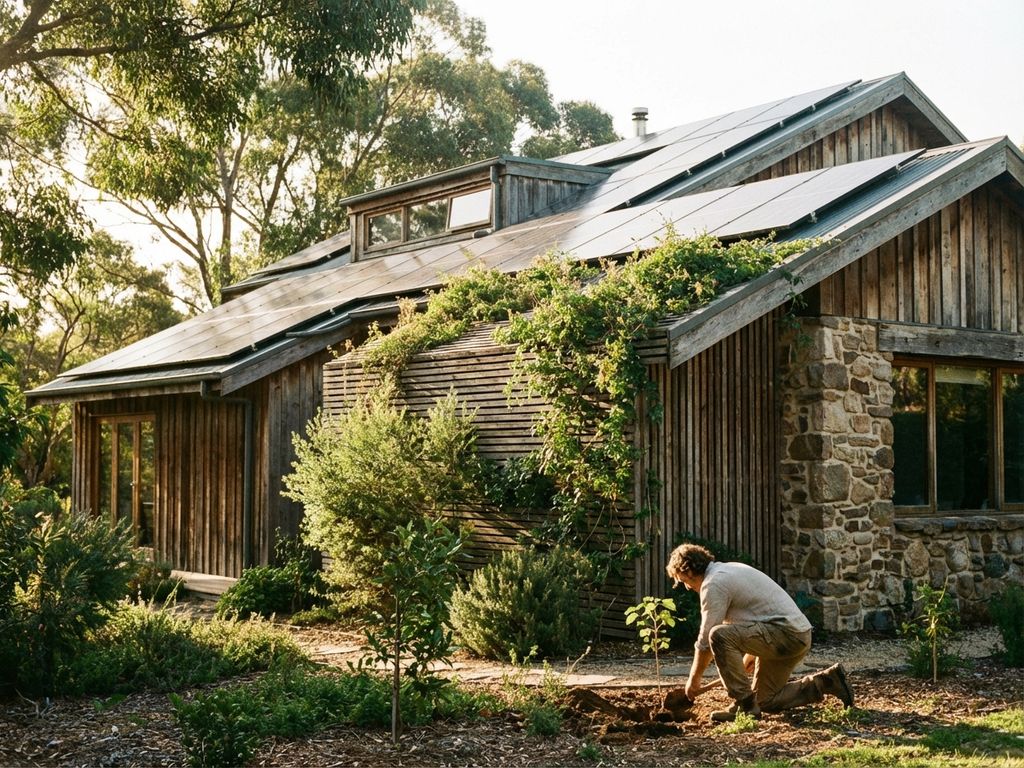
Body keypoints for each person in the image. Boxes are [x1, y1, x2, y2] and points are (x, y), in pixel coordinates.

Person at [666, 542, 854, 722]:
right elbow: (756, 615)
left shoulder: (713, 584)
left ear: (688, 571)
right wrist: (752, 654)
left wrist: (693, 680)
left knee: (717, 635)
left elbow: (706, 641)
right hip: (798, 635)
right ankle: (828, 681)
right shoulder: (729, 569)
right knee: (765, 700)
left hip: (785, 635)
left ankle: (744, 705)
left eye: (683, 581)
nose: (687, 587)